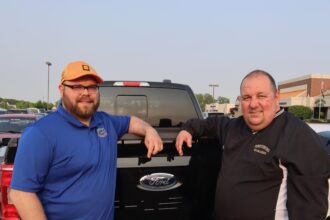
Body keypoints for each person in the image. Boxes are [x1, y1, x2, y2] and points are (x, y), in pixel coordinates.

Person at [9, 61, 163, 220]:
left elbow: (131, 121)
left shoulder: (106, 122)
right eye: (76, 86)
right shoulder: (40, 133)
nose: (86, 92)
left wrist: (149, 130)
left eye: (92, 87)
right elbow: (21, 193)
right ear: (61, 90)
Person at [176, 70, 330, 220]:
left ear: (277, 97)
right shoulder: (233, 127)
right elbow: (210, 124)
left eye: (261, 96)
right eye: (247, 98)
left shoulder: (298, 136)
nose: (253, 104)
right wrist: (188, 129)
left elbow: (311, 206)